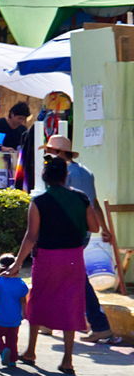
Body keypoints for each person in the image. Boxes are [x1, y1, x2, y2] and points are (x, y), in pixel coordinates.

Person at [3, 156, 103, 375]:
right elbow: (94, 227)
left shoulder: (39, 202)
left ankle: (30, 351)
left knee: (39, 301)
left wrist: (17, 264)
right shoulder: (81, 198)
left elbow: (31, 236)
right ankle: (68, 359)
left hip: (47, 258)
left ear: (45, 177)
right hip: (73, 257)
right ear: (65, 176)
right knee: (71, 303)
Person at [43, 134, 116, 344]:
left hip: (67, 232)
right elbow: (92, 203)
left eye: (49, 151)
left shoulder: (62, 173)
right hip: (83, 231)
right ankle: (52, 320)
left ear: (58, 153)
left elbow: (60, 203)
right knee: (68, 275)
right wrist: (104, 228)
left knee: (71, 276)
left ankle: (99, 325)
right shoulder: (86, 171)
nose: (47, 156)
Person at [0, 253, 29, 367]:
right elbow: (23, 301)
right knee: (12, 339)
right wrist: (24, 313)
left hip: (1, 318)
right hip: (15, 319)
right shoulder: (21, 284)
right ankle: (13, 360)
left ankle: (3, 350)